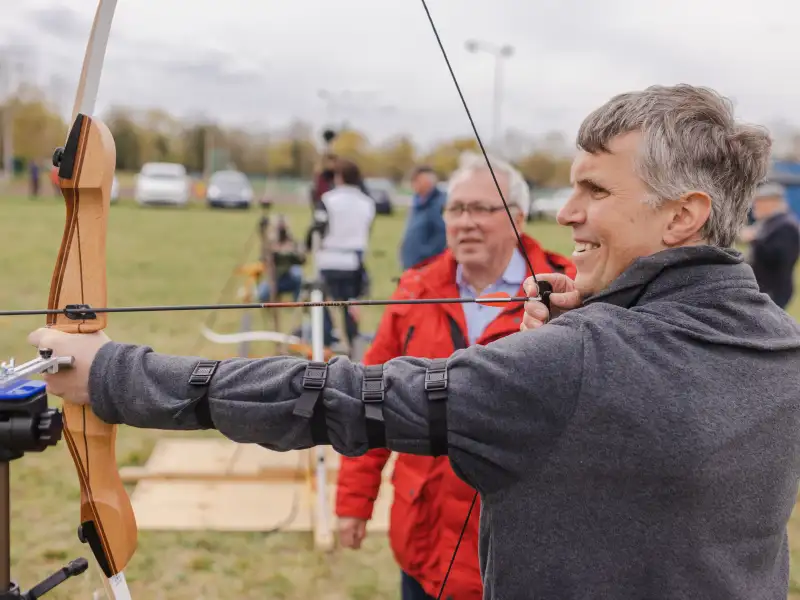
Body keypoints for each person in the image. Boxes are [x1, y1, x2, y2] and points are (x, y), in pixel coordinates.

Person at [30, 84, 800, 600]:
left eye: (596, 190)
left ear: (681, 215)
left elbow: (336, 396)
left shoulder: (582, 359)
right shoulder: (778, 345)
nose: (566, 214)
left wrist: (117, 374)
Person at [335, 152, 575, 600]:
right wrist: (354, 501)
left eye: (483, 209)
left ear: (518, 219)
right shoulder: (415, 290)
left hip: (519, 554)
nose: (466, 222)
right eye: (456, 209)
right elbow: (368, 398)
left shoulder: (570, 293)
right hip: (425, 545)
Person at [313, 158, 375, 351]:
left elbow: (318, 229)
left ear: (339, 177)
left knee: (321, 304)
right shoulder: (367, 203)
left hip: (328, 260)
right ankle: (352, 343)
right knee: (351, 305)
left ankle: (324, 344)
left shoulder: (328, 200)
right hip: (353, 262)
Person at [739, 182, 800, 309]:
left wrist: (754, 239)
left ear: (772, 203)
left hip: (773, 291)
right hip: (762, 287)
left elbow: (780, 258)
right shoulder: (770, 222)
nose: (754, 206)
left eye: (759, 202)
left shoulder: (787, 225)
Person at [399, 166, 447, 270]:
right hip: (411, 264)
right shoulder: (417, 202)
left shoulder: (439, 204)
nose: (414, 184)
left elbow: (442, 234)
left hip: (427, 266)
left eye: (418, 180)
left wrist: (426, 256)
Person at [257, 215, 305, 302]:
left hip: (288, 279)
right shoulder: (271, 242)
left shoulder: (292, 242)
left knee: (298, 274)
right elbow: (263, 258)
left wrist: (294, 251)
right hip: (274, 279)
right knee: (262, 294)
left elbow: (301, 259)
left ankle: (297, 303)